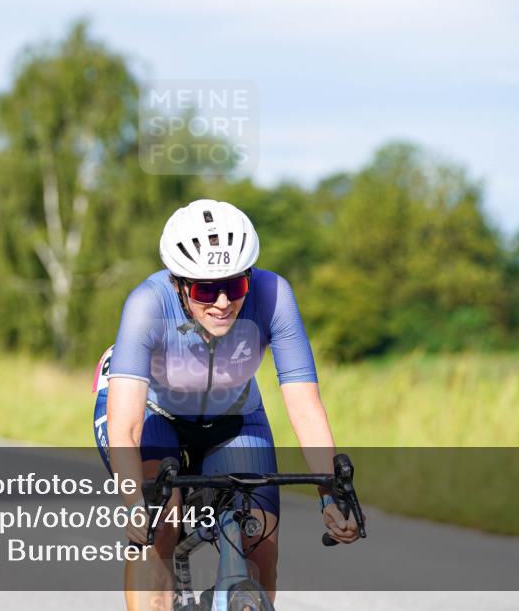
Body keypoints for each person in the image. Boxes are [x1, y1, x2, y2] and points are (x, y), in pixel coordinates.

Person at [92, 199, 359, 610]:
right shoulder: (147, 303)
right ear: (179, 284)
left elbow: (305, 406)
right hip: (153, 413)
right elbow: (126, 425)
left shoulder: (274, 296)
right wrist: (132, 504)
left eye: (234, 286)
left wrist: (329, 494)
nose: (221, 303)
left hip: (234, 417)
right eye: (204, 289)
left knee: (261, 538)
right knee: (159, 526)